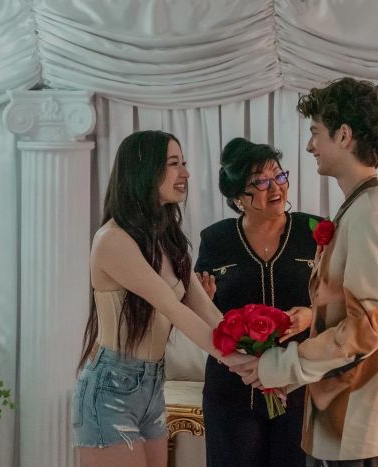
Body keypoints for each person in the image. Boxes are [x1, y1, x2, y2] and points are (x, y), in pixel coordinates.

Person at [233, 77, 378, 466]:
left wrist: (279, 366)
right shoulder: (360, 207)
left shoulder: (369, 212)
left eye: (316, 133)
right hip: (343, 421)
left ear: (343, 135)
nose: (310, 146)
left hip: (357, 427)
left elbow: (365, 328)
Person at [72, 130, 251, 467]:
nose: (185, 173)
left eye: (184, 163)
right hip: (111, 388)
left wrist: (255, 352)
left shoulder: (169, 240)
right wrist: (238, 363)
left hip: (153, 383)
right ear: (144, 171)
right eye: (173, 164)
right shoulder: (112, 240)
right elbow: (172, 309)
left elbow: (208, 313)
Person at [195, 137, 319, 467]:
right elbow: (198, 311)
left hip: (298, 386)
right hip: (233, 390)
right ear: (238, 197)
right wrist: (203, 302)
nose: (275, 187)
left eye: (279, 176)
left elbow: (341, 302)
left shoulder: (314, 231)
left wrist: (311, 316)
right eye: (260, 182)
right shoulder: (216, 240)